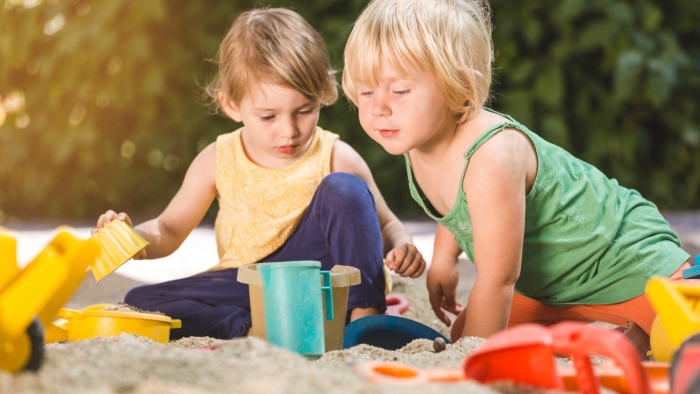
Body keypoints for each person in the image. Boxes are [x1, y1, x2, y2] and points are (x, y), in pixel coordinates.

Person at [341, 0, 693, 355]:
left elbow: (498, 278)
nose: (378, 107)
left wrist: (468, 361)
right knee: (468, 327)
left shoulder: (492, 154)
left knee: (684, 331)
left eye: (399, 90)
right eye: (366, 91)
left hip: (622, 263)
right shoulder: (416, 135)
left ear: (459, 86)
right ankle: (618, 335)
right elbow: (460, 202)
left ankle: (641, 323)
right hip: (551, 289)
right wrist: (445, 259)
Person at [94, 8, 426, 340]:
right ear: (232, 105)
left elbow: (385, 224)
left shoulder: (336, 155)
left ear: (322, 95)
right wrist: (133, 240)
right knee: (143, 301)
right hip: (247, 285)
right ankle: (253, 331)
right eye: (268, 116)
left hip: (319, 283)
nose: (289, 131)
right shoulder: (218, 158)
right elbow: (168, 228)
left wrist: (402, 244)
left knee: (346, 188)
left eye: (304, 111)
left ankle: (362, 320)